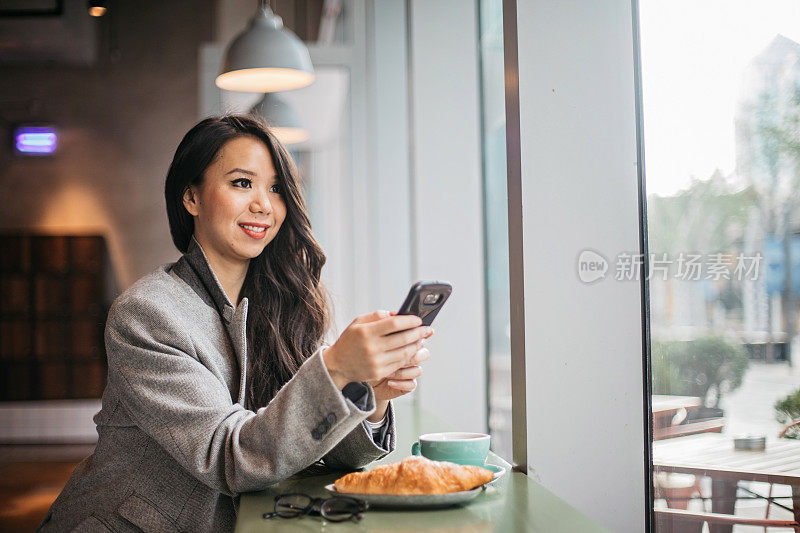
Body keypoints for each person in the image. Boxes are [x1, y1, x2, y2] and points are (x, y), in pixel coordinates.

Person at [38, 115, 433, 532]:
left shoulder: (276, 308)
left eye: (276, 188)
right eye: (242, 183)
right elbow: (232, 458)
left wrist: (371, 393)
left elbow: (314, 452)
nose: (263, 203)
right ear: (191, 197)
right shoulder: (146, 314)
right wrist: (335, 369)